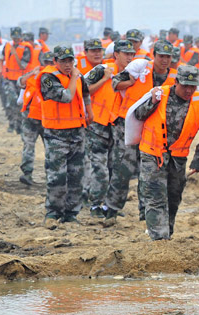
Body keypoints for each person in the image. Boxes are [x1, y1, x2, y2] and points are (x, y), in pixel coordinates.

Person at [134, 65, 199, 240]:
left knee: (173, 197)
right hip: (152, 154)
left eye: (192, 86)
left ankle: (167, 234)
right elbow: (138, 114)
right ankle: (159, 238)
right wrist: (151, 101)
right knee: (155, 196)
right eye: (185, 85)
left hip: (178, 158)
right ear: (176, 82)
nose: (188, 90)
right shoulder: (159, 94)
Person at [105, 40, 177, 224]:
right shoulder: (140, 69)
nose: (164, 60)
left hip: (153, 129)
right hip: (128, 124)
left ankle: (145, 211)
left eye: (168, 57)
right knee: (124, 168)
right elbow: (114, 83)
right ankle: (112, 208)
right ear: (154, 56)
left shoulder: (175, 77)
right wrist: (130, 81)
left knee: (149, 171)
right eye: (161, 56)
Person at [37, 46, 93, 228]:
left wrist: (89, 111)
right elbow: (66, 96)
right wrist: (75, 77)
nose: (68, 64)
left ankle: (71, 214)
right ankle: (53, 213)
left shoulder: (76, 76)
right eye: (63, 61)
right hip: (56, 135)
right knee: (57, 177)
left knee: (76, 176)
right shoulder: (48, 78)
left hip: (77, 132)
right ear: (55, 61)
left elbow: (85, 92)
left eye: (70, 60)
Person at [83, 39, 135, 218]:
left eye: (132, 54)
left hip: (117, 126)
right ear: (116, 55)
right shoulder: (102, 69)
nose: (129, 57)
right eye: (126, 54)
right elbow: (83, 90)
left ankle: (109, 206)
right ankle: (95, 205)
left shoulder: (131, 74)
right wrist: (105, 79)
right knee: (100, 168)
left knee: (115, 168)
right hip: (96, 125)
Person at [17, 51, 55, 186]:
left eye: (51, 62)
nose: (49, 65)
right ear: (42, 63)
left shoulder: (57, 78)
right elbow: (20, 82)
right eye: (47, 62)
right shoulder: (34, 76)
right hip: (31, 118)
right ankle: (27, 174)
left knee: (51, 149)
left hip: (48, 120)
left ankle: (51, 176)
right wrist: (32, 73)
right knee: (29, 146)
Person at [2, 27, 32, 134]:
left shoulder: (26, 48)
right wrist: (1, 69)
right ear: (11, 37)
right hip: (9, 79)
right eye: (14, 38)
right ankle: (11, 124)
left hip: (21, 81)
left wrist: (14, 53)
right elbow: (2, 57)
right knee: (10, 102)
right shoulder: (7, 45)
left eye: (18, 38)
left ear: (21, 37)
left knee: (20, 103)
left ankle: (19, 125)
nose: (16, 40)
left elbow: (22, 66)